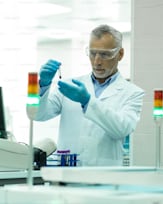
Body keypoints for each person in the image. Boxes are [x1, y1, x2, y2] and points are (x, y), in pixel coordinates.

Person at [34, 24, 144, 166]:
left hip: (105, 178)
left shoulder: (132, 93)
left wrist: (87, 101)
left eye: (105, 54)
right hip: (68, 175)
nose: (97, 61)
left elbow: (121, 129)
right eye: (93, 53)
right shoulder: (70, 85)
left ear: (120, 54)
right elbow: (37, 115)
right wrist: (43, 85)